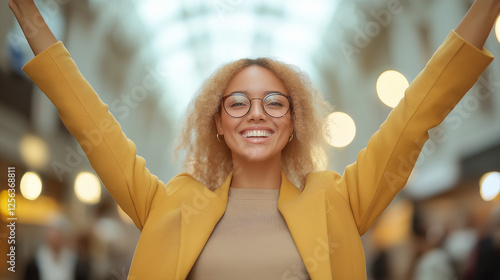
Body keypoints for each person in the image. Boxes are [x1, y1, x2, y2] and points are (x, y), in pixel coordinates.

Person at [8, 0, 499, 279]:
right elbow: (94, 128)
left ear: (294, 122)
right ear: (217, 123)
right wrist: (28, 16)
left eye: (274, 102)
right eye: (237, 102)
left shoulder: (338, 201)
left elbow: (415, 117)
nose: (255, 114)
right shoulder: (171, 204)